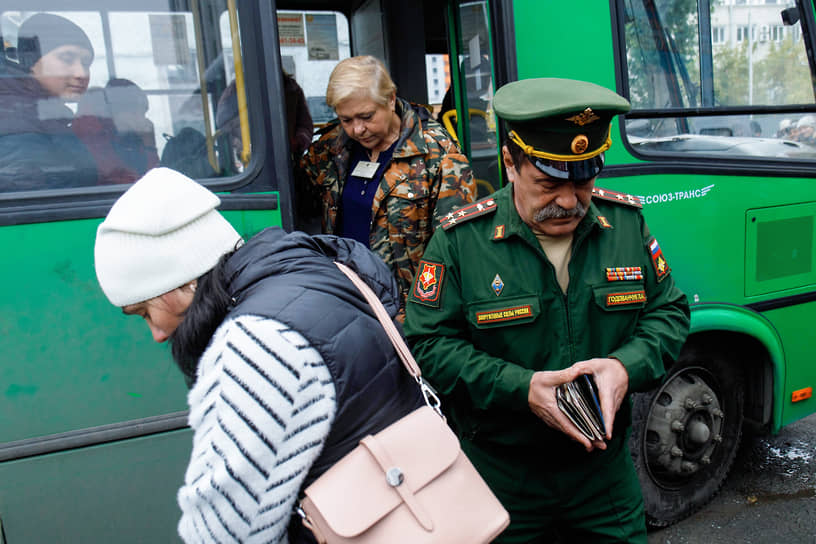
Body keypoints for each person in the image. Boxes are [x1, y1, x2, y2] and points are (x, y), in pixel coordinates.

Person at [404, 78, 691, 543]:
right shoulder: (461, 242)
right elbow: (427, 344)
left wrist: (624, 367)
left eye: (584, 182)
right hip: (502, 478)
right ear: (509, 164)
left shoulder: (624, 225)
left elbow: (669, 312)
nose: (569, 201)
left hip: (604, 479)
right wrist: (523, 388)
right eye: (549, 183)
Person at [93, 167, 423, 543]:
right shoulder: (317, 270)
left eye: (144, 312)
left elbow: (224, 530)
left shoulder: (256, 346)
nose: (155, 334)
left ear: (181, 281)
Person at [297, 55, 476, 313]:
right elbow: (298, 195)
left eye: (366, 116)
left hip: (408, 314)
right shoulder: (332, 149)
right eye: (346, 120)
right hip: (346, 302)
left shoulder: (439, 156)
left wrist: (427, 318)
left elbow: (457, 253)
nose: (357, 129)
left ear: (390, 99)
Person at [0, 12, 97, 191]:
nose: (81, 74)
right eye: (67, 59)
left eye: (86, 63)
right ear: (31, 62)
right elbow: (31, 203)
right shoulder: (15, 119)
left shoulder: (45, 114)